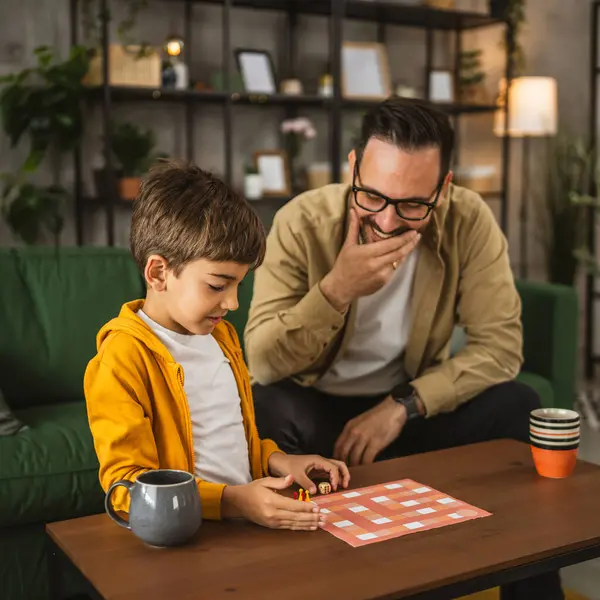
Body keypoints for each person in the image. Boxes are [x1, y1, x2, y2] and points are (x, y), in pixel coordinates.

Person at [245, 96, 563, 599]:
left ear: (445, 187)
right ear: (352, 168)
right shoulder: (301, 222)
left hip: (406, 411)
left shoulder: (467, 220)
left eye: (414, 204)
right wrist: (337, 290)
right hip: (316, 412)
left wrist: (403, 406)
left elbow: (501, 347)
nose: (388, 222)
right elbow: (260, 360)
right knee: (264, 408)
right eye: (371, 196)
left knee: (518, 403)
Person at [83, 160, 349, 532]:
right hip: (190, 531)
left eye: (239, 284)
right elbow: (125, 488)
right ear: (158, 272)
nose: (233, 303)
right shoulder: (121, 358)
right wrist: (234, 501)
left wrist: (279, 461)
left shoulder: (221, 336)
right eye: (217, 285)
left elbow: (233, 440)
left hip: (245, 519)